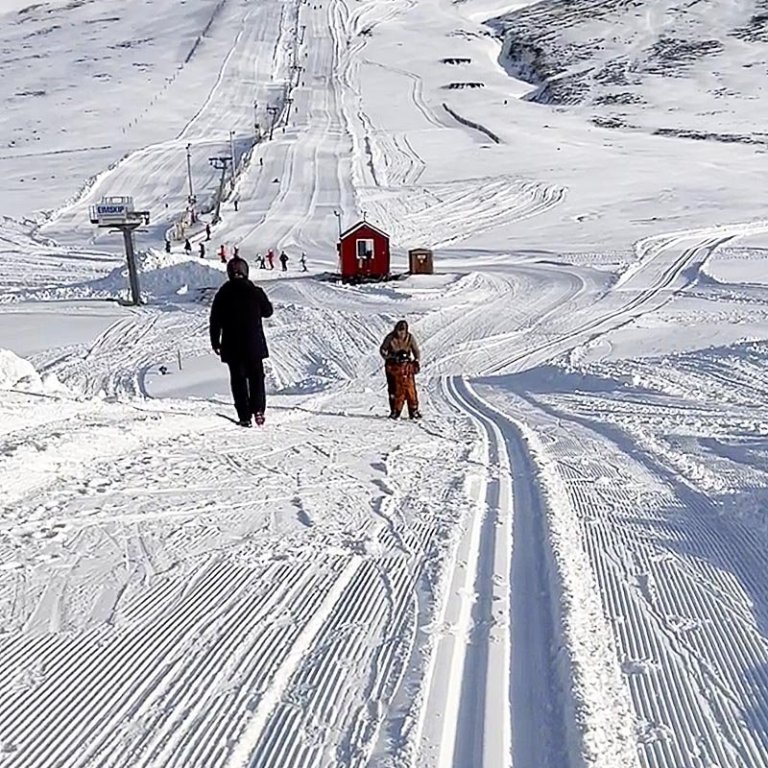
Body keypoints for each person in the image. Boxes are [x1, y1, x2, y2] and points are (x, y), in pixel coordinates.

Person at [209, 257, 274, 427]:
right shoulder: (255, 291)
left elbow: (215, 321)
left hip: (231, 345)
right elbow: (268, 312)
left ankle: (244, 417)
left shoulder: (222, 294)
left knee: (238, 381)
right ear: (246, 272)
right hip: (254, 344)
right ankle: (258, 409)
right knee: (256, 378)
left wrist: (215, 342)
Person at [379, 320, 421, 419]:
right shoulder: (390, 338)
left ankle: (413, 410)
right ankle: (395, 410)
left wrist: (416, 360)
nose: (401, 333)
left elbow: (416, 350)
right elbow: (383, 350)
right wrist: (389, 357)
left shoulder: (410, 338)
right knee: (394, 389)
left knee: (410, 389)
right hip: (392, 366)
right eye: (399, 331)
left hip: (406, 366)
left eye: (403, 331)